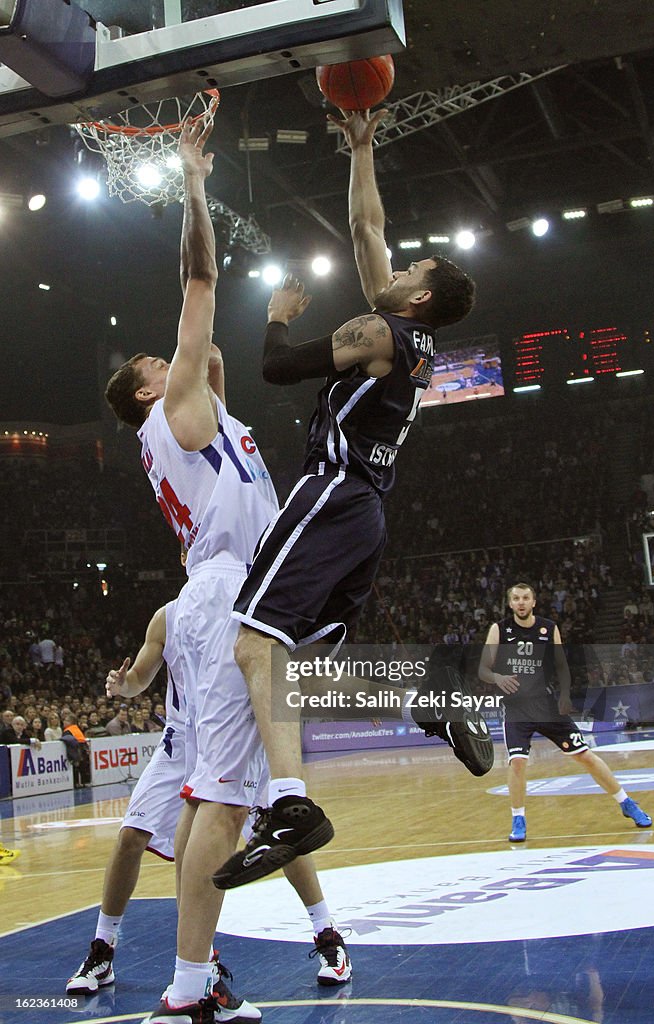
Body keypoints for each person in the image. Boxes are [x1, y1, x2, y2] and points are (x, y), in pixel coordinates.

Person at [103, 120, 348, 1024]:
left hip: (247, 589)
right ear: (144, 393)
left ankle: (192, 984)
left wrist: (275, 323)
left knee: (228, 803)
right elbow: (198, 281)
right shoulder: (172, 410)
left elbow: (214, 349)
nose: (172, 360)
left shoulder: (214, 418)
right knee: (225, 801)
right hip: (229, 597)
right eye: (155, 364)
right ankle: (184, 987)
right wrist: (196, 181)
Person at [214, 107, 476, 891]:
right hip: (365, 512)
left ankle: (290, 805)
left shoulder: (378, 332)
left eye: (412, 269)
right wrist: (362, 149)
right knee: (301, 671)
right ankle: (427, 696)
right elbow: (368, 230)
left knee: (254, 646)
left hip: (331, 492)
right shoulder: (407, 334)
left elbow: (278, 370)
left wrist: (272, 320)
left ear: (417, 298)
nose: (397, 266)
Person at [68, 597, 352, 999]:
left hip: (236, 732)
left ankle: (328, 936)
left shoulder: (254, 603)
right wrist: (123, 684)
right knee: (131, 835)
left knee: (283, 831)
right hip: (183, 740)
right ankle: (103, 950)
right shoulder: (166, 616)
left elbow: (284, 668)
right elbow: (140, 678)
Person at [478, 581, 652, 842]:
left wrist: (565, 695)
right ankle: (518, 818)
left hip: (547, 705)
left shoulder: (548, 628)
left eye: (526, 597)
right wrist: (498, 678)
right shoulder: (499, 630)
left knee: (586, 757)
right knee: (517, 763)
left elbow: (561, 667)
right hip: (517, 708)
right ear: (510, 603)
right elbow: (483, 670)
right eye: (516, 598)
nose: (521, 602)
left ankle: (626, 802)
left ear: (534, 601)